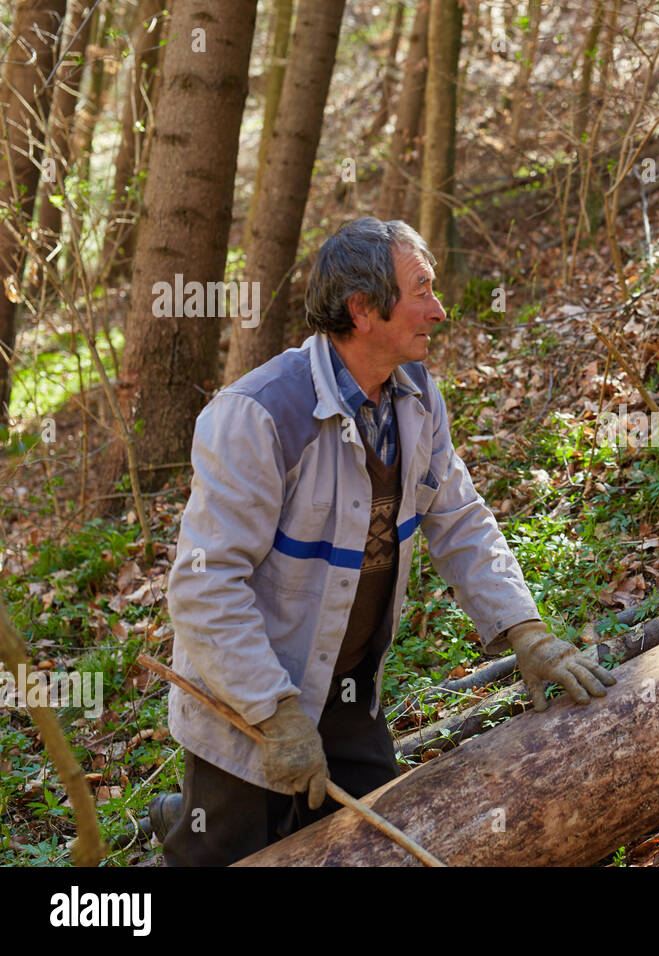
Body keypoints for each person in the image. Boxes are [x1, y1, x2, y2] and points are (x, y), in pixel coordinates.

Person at [155, 218, 615, 865]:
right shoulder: (258, 414)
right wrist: (274, 712)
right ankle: (181, 826)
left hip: (345, 689)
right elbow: (204, 584)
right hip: (247, 697)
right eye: (421, 290)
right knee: (224, 855)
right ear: (363, 309)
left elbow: (459, 520)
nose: (440, 308)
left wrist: (525, 632)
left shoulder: (417, 398)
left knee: (379, 847)